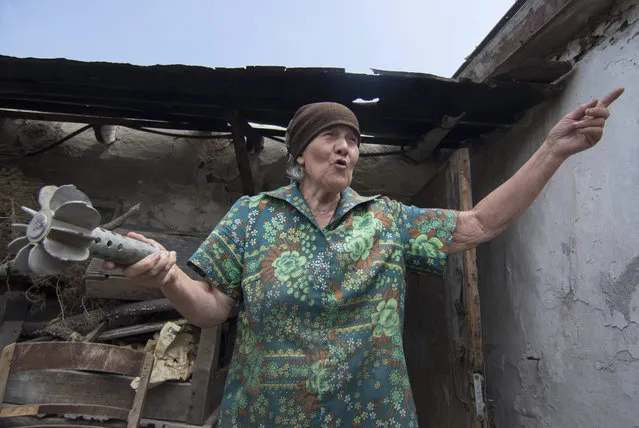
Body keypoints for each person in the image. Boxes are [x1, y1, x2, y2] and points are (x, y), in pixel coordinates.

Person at [106, 88, 624, 427]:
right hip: (265, 416)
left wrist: (553, 149)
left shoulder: (385, 219)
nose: (345, 149)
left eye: (353, 141)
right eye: (331, 137)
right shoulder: (253, 215)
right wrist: (168, 276)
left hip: (374, 416)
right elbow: (212, 309)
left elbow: (480, 224)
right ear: (300, 153)